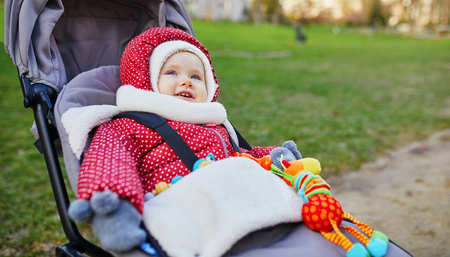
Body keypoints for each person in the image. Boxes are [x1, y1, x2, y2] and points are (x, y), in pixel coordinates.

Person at [65, 27, 301, 252]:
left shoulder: (212, 124)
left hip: (230, 197)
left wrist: (272, 157)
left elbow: (239, 154)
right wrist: (117, 204)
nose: (186, 81)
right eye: (171, 73)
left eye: (196, 76)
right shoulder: (130, 125)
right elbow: (111, 160)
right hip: (175, 200)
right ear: (148, 80)